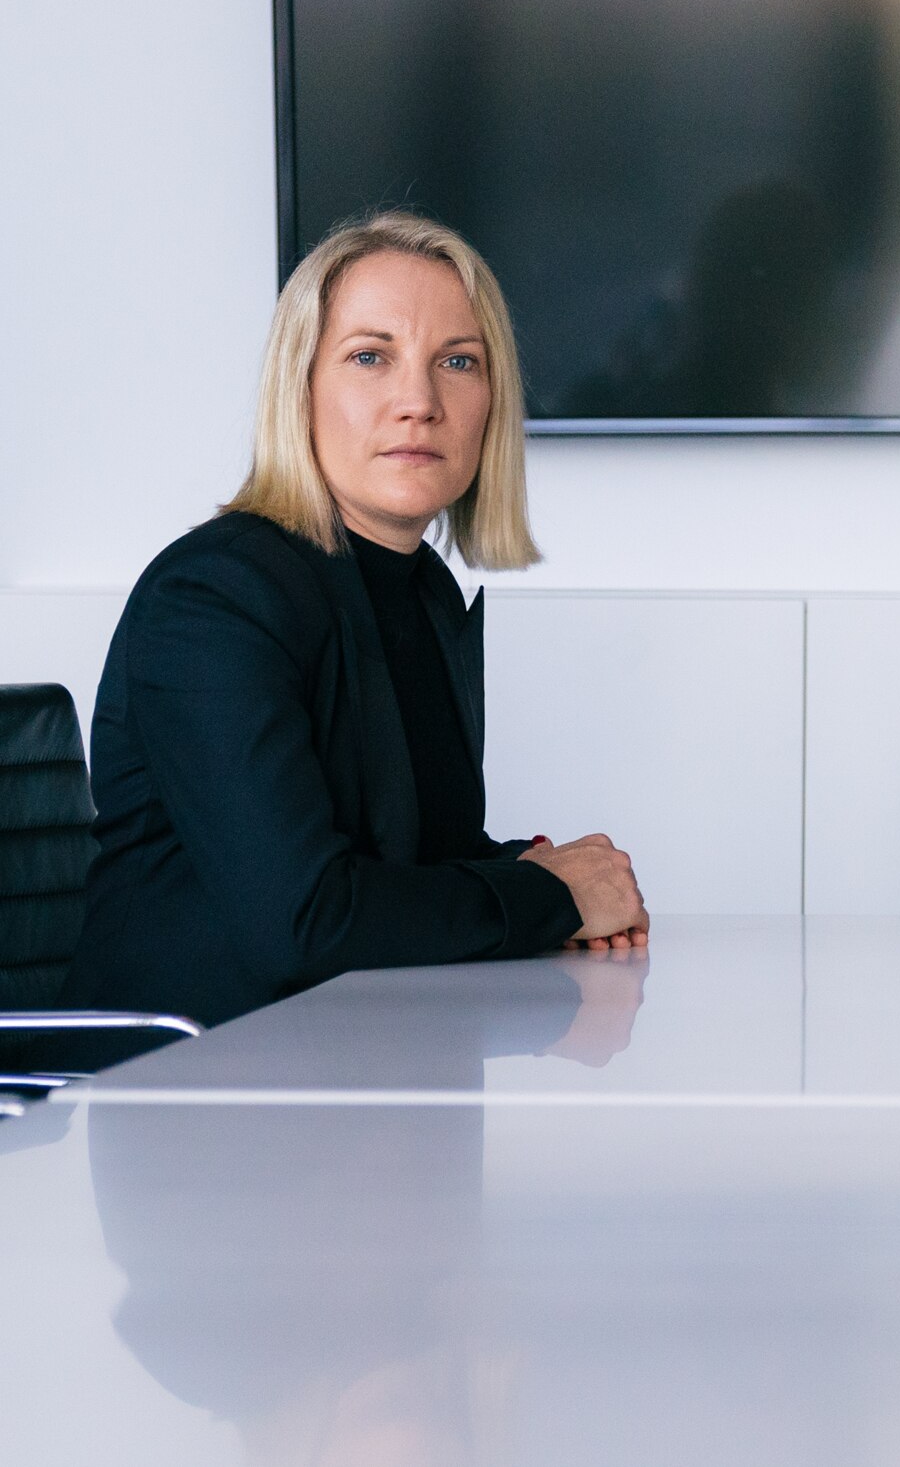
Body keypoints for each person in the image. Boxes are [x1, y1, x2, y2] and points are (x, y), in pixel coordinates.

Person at [65, 212, 648, 1029]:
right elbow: (306, 920)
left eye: (458, 362)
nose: (419, 401)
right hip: (195, 1092)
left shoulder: (423, 592)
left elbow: (407, 859)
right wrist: (549, 897)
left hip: (367, 1071)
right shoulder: (213, 597)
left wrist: (548, 872)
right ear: (299, 388)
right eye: (370, 357)